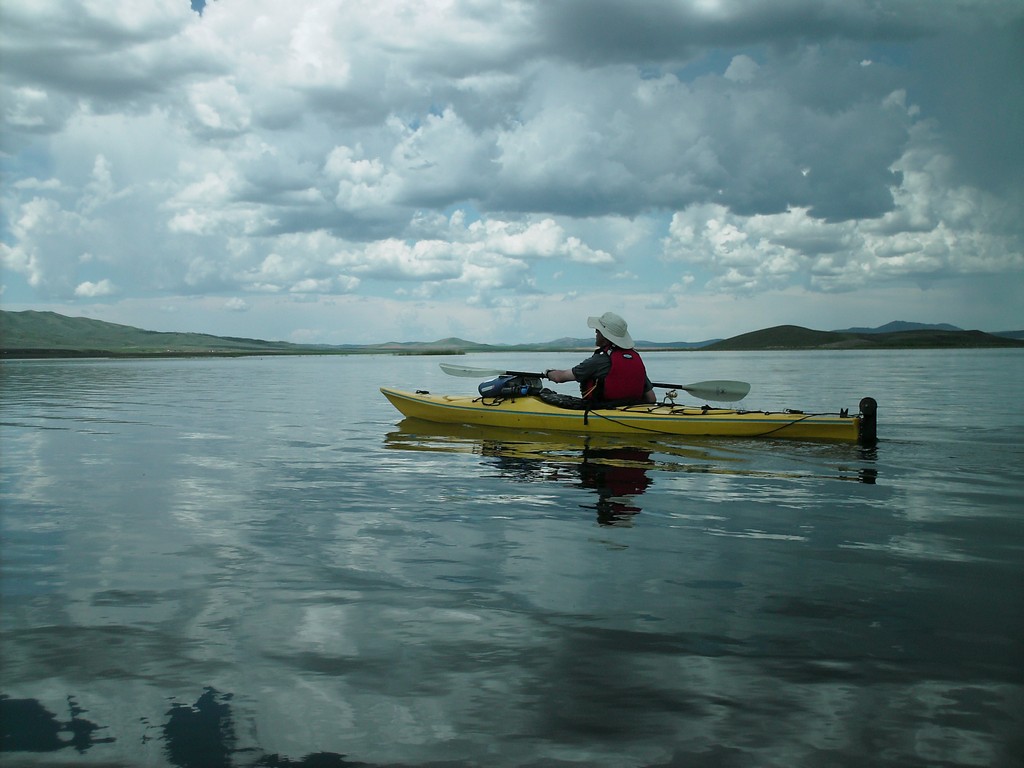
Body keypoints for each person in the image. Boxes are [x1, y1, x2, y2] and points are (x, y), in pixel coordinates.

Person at [545, 312, 657, 404]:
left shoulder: (599, 361)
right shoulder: (634, 358)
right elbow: (652, 399)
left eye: (598, 331)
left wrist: (548, 373)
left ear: (605, 336)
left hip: (603, 410)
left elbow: (559, 377)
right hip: (632, 410)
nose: (595, 332)